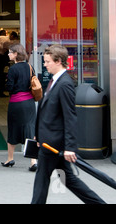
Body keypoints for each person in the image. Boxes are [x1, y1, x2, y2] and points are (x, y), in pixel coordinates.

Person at [31, 44, 105, 204]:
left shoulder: (64, 84)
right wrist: (38, 134)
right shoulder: (55, 81)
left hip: (55, 145)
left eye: (47, 61)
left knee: (47, 181)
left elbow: (70, 117)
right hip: (49, 143)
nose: (45, 64)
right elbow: (47, 112)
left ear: (58, 61)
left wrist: (70, 147)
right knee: (54, 181)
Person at [2, 43, 37, 171]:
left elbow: (9, 87)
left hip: (16, 103)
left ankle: (10, 159)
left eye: (10, 52)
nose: (8, 54)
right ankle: (33, 161)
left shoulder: (13, 69)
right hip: (29, 103)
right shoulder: (29, 66)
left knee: (13, 129)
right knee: (30, 129)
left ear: (16, 54)